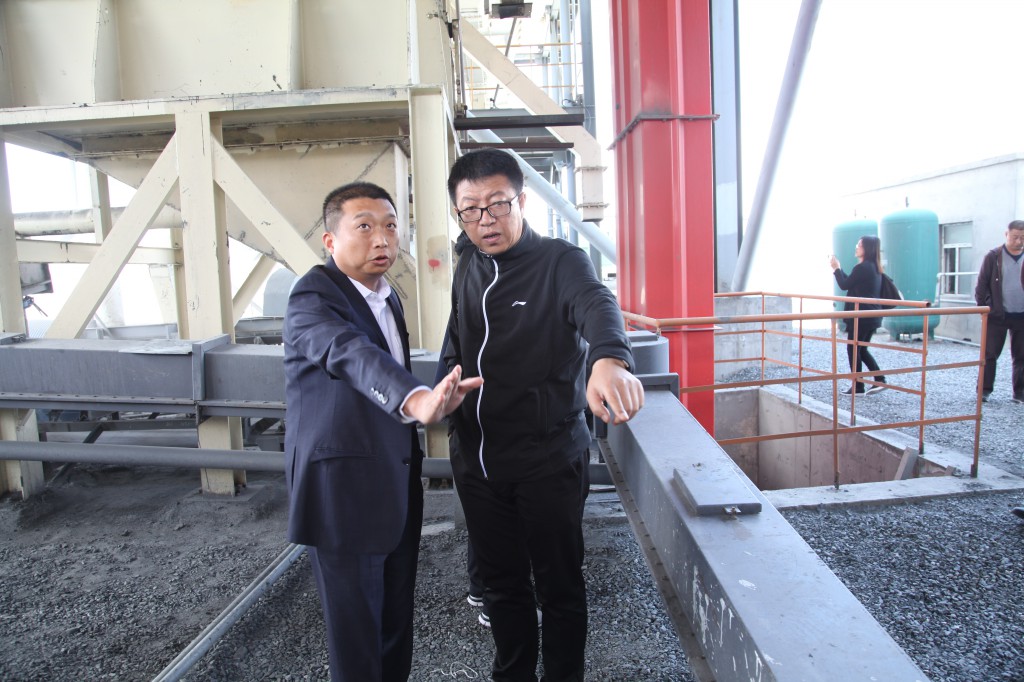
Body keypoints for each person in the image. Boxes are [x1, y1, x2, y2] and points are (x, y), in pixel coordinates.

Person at [442, 148, 644, 682]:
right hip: (478, 461)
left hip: (548, 459)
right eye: (470, 210)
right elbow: (455, 340)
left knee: (559, 588)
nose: (486, 220)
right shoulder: (467, 266)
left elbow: (597, 304)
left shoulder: (560, 262)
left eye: (498, 204)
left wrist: (609, 359)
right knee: (502, 587)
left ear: (522, 200)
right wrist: (443, 390)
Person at [283, 181, 482, 682]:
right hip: (343, 495)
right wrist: (415, 399)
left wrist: (433, 399)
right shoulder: (313, 295)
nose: (382, 239)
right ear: (330, 241)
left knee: (395, 624)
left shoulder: (388, 297)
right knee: (356, 639)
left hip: (395, 485)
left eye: (391, 227)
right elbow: (346, 351)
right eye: (365, 226)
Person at [830, 236, 888, 396]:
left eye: (859, 245)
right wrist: (838, 269)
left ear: (867, 248)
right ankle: (876, 380)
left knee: (854, 349)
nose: (856, 247)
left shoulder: (862, 268)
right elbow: (851, 281)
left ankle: (860, 385)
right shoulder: (873, 267)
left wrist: (836, 269)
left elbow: (844, 285)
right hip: (872, 315)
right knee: (860, 349)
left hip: (861, 316)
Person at [974, 219, 1024, 403]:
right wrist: (983, 309)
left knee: (1021, 356)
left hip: (1021, 316)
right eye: (1015, 237)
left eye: (1023, 237)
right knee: (989, 354)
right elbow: (981, 285)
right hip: (997, 314)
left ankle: (1020, 394)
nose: (1019, 241)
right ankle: (984, 391)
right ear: (1006, 234)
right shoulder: (994, 256)